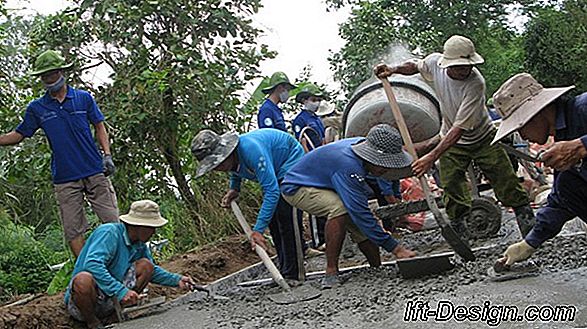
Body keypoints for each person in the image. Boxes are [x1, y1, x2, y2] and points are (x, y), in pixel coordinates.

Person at [374, 35, 535, 241]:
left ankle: (531, 233)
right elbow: (415, 66)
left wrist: (430, 157)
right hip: (453, 143)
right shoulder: (435, 63)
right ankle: (462, 235)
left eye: (467, 66)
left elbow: (460, 128)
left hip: (482, 137)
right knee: (451, 185)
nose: (465, 70)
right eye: (459, 66)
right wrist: (393, 69)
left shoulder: (475, 83)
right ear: (448, 63)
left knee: (506, 181)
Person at [0, 50, 118, 257]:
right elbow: (19, 134)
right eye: (44, 76)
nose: (49, 79)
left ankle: (122, 268)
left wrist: (106, 155)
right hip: (65, 177)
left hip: (94, 169)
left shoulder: (83, 99)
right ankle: (86, 272)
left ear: (62, 72)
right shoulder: (37, 108)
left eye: (52, 74)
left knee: (112, 222)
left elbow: (100, 126)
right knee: (73, 229)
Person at [281, 124, 416, 288]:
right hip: (297, 187)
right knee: (341, 208)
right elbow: (359, 212)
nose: (384, 169)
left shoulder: (363, 148)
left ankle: (376, 268)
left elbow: (364, 211)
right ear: (371, 158)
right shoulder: (349, 166)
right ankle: (331, 272)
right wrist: (396, 248)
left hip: (326, 183)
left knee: (361, 222)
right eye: (383, 164)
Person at [490, 73, 583, 266]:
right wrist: (529, 243)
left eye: (520, 126)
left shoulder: (583, 108)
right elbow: (562, 200)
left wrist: (582, 146)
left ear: (537, 112)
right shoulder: (564, 140)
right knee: (567, 185)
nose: (522, 134)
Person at [191, 128, 306, 281]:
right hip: (275, 169)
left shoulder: (251, 150)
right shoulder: (232, 158)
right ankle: (284, 271)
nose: (217, 169)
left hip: (291, 161)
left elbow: (272, 191)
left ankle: (295, 274)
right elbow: (235, 170)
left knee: (286, 216)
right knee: (273, 222)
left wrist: (257, 230)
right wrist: (234, 189)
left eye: (217, 164)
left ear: (227, 152)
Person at [65, 200, 197, 329]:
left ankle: (116, 314)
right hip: (87, 300)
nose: (154, 233)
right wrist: (121, 291)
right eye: (152, 228)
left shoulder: (139, 244)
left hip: (112, 298)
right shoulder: (109, 233)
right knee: (83, 280)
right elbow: (92, 265)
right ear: (139, 226)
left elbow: (152, 271)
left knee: (146, 265)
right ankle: (93, 323)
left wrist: (177, 280)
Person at [292, 83, 328, 152]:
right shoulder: (300, 120)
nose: (317, 103)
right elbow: (301, 142)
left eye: (319, 100)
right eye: (313, 100)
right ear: (304, 101)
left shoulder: (317, 118)